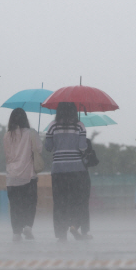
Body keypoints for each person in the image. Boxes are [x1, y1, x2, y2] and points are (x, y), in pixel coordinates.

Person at [44, 102, 88, 243]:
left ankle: (61, 233)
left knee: (60, 202)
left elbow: (48, 147)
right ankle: (74, 224)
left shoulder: (53, 125)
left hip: (58, 170)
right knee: (77, 201)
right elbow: (82, 147)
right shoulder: (79, 125)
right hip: (76, 169)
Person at [4, 108, 42, 242]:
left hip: (12, 176)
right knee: (30, 203)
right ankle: (27, 226)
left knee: (15, 205)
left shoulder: (7, 135)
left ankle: (16, 232)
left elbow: (8, 155)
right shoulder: (31, 133)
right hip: (28, 175)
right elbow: (39, 149)